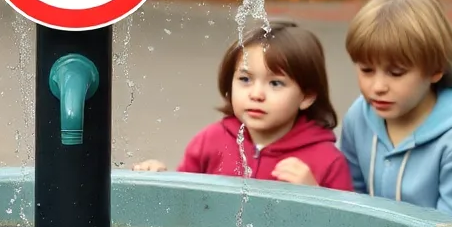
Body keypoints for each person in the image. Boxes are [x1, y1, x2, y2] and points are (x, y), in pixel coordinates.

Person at [133, 22, 352, 190]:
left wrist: (315, 197)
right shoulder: (210, 141)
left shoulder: (328, 161)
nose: (256, 94)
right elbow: (182, 205)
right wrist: (159, 178)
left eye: (275, 83)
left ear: (307, 96)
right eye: (245, 80)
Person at [339, 0, 452, 215]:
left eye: (396, 73)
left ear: (435, 69)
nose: (378, 87)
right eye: (366, 70)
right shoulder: (358, 116)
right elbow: (348, 196)